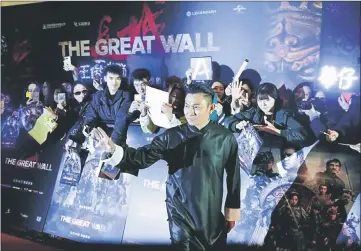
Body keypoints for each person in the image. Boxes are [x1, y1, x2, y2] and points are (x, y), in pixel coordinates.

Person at [90, 83, 240, 250]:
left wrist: (231, 213)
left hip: (211, 213)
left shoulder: (225, 138)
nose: (190, 112)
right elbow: (142, 157)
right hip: (180, 211)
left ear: (211, 108)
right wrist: (113, 149)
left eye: (196, 107)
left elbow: (234, 176)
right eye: (187, 106)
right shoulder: (173, 135)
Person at [84, 65, 132, 146]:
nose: (114, 82)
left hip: (118, 141)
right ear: (105, 78)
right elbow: (90, 115)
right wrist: (88, 127)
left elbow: (121, 120)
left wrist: (113, 143)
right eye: (111, 78)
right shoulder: (97, 96)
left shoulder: (126, 97)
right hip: (99, 139)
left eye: (118, 78)